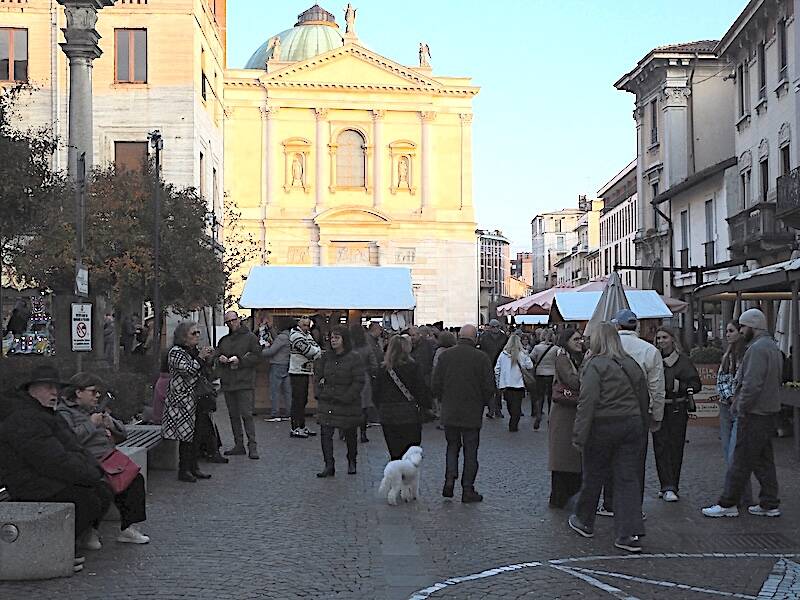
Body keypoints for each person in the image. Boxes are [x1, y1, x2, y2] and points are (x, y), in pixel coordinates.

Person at [0, 365, 112, 556]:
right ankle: (53, 550)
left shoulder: (46, 413)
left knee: (100, 491)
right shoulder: (25, 418)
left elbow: (71, 447)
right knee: (86, 499)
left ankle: (70, 543)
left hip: (43, 475)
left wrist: (91, 470)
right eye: (48, 387)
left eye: (56, 388)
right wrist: (89, 473)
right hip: (28, 482)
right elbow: (50, 460)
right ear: (32, 389)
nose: (54, 392)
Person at [568, 323, 650, 553]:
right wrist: (643, 425)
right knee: (627, 479)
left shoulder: (595, 365)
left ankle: (584, 520)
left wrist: (579, 435)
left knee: (594, 475)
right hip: (631, 424)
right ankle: (629, 533)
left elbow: (587, 402)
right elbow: (643, 396)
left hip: (603, 425)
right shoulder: (630, 363)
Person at [703, 309, 783, 518]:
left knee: (740, 459)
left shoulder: (756, 349)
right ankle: (769, 502)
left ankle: (728, 502)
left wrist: (740, 406)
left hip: (754, 412)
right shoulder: (772, 346)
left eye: (744, 327)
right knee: (763, 460)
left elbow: (751, 384)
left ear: (753, 326)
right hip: (768, 411)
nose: (741, 331)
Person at [57, 373, 149, 546]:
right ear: (78, 392)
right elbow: (69, 439)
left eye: (98, 392)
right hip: (88, 461)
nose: (97, 396)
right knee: (101, 488)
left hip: (109, 458)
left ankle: (128, 527)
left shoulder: (95, 409)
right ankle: (90, 530)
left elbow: (123, 433)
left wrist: (109, 423)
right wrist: (91, 424)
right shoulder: (65, 413)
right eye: (93, 392)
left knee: (134, 480)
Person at [598, 309, 666, 516]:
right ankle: (634, 505)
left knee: (609, 458)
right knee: (636, 461)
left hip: (608, 411)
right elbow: (657, 387)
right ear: (636, 326)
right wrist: (657, 415)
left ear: (617, 326)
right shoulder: (650, 350)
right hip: (639, 412)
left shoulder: (605, 349)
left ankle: (610, 502)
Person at [433, 324, 495, 503]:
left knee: (452, 447)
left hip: (450, 410)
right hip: (472, 411)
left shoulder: (445, 356)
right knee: (471, 451)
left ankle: (449, 480)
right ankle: (467, 489)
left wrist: (443, 400)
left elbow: (435, 383)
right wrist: (483, 403)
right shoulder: (481, 358)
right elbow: (489, 386)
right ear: (475, 338)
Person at [652, 326, 701, 502]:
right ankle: (665, 485)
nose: (661, 341)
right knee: (660, 447)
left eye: (664, 337)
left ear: (672, 339)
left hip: (677, 408)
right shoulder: (654, 359)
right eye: (658, 338)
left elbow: (696, 384)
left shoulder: (683, 361)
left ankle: (672, 485)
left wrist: (680, 386)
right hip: (659, 407)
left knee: (675, 447)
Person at [161, 321, 214, 482]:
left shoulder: (193, 351)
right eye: (193, 333)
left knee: (197, 434)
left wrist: (208, 359)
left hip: (197, 399)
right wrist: (201, 358)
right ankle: (184, 470)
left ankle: (194, 467)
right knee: (185, 437)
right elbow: (188, 370)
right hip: (182, 401)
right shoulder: (176, 352)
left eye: (198, 332)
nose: (197, 336)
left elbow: (203, 371)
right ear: (183, 336)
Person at [314, 326, 366, 477]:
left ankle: (352, 461)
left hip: (347, 403)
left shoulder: (354, 357)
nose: (333, 340)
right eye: (332, 337)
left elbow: (358, 380)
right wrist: (319, 393)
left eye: (337, 337)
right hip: (328, 401)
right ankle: (329, 465)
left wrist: (348, 396)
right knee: (326, 434)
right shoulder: (326, 357)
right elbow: (318, 376)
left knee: (350, 434)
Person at [373, 335, 433, 460]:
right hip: (409, 414)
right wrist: (426, 406)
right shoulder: (413, 367)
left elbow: (376, 393)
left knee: (395, 452)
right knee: (410, 453)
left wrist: (381, 407)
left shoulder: (383, 369)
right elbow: (421, 390)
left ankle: (396, 470)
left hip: (388, 414)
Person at [214, 311, 262, 459]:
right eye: (228, 322)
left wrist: (240, 360)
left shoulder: (250, 338)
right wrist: (219, 358)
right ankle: (239, 444)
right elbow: (216, 355)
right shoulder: (224, 340)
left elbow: (257, 356)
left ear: (239, 319)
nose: (231, 324)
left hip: (244, 382)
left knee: (247, 415)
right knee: (233, 416)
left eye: (233, 320)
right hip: (228, 382)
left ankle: (252, 446)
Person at [716, 319, 752, 506]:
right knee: (729, 453)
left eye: (731, 331)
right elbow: (721, 380)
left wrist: (736, 400)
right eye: (727, 331)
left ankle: (735, 497)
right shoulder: (727, 356)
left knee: (735, 454)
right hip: (725, 406)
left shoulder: (747, 355)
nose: (728, 334)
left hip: (740, 408)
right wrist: (729, 397)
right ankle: (741, 496)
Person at [548, 327, 584, 509]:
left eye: (580, 339)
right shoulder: (563, 358)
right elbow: (573, 381)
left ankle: (567, 493)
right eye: (576, 339)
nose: (580, 342)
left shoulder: (576, 358)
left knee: (571, 455)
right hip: (564, 413)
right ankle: (560, 496)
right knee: (563, 454)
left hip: (573, 412)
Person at [289, 316, 322, 438]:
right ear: (299, 324)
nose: (307, 328)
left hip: (305, 371)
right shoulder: (295, 336)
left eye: (308, 325)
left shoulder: (306, 335)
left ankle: (301, 426)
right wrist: (315, 352)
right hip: (297, 371)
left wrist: (315, 351)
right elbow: (309, 351)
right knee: (298, 401)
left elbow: (316, 348)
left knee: (303, 400)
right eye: (304, 325)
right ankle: (295, 428)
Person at [494, 334, 534, 432]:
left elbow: (497, 369)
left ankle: (513, 421)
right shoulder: (523, 354)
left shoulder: (503, 354)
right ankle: (513, 424)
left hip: (506, 385)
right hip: (519, 384)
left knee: (510, 405)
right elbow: (530, 366)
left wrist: (498, 382)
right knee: (517, 405)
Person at [350, 324, 378, 443]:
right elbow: (374, 364)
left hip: (349, 377)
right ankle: (363, 433)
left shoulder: (348, 347)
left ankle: (346, 432)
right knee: (364, 407)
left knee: (349, 405)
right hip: (364, 377)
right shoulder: (367, 347)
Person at [262, 317, 292, 420]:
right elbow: (277, 340)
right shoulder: (290, 335)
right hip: (287, 364)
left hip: (277, 364)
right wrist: (270, 329)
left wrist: (260, 351)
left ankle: (275, 413)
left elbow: (271, 351)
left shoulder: (282, 337)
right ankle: (289, 413)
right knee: (287, 391)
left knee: (275, 391)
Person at [478, 319, 508, 418]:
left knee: (499, 389)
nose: (495, 328)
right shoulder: (484, 337)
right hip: (488, 365)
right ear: (490, 327)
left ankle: (498, 410)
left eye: (497, 326)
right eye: (493, 327)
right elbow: (480, 350)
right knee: (489, 388)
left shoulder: (504, 337)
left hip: (500, 365)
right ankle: (491, 409)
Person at [530, 328, 558, 430]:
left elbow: (531, 358)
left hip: (540, 374)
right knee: (551, 397)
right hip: (552, 374)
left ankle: (538, 415)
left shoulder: (537, 348)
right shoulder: (556, 348)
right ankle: (550, 417)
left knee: (540, 396)